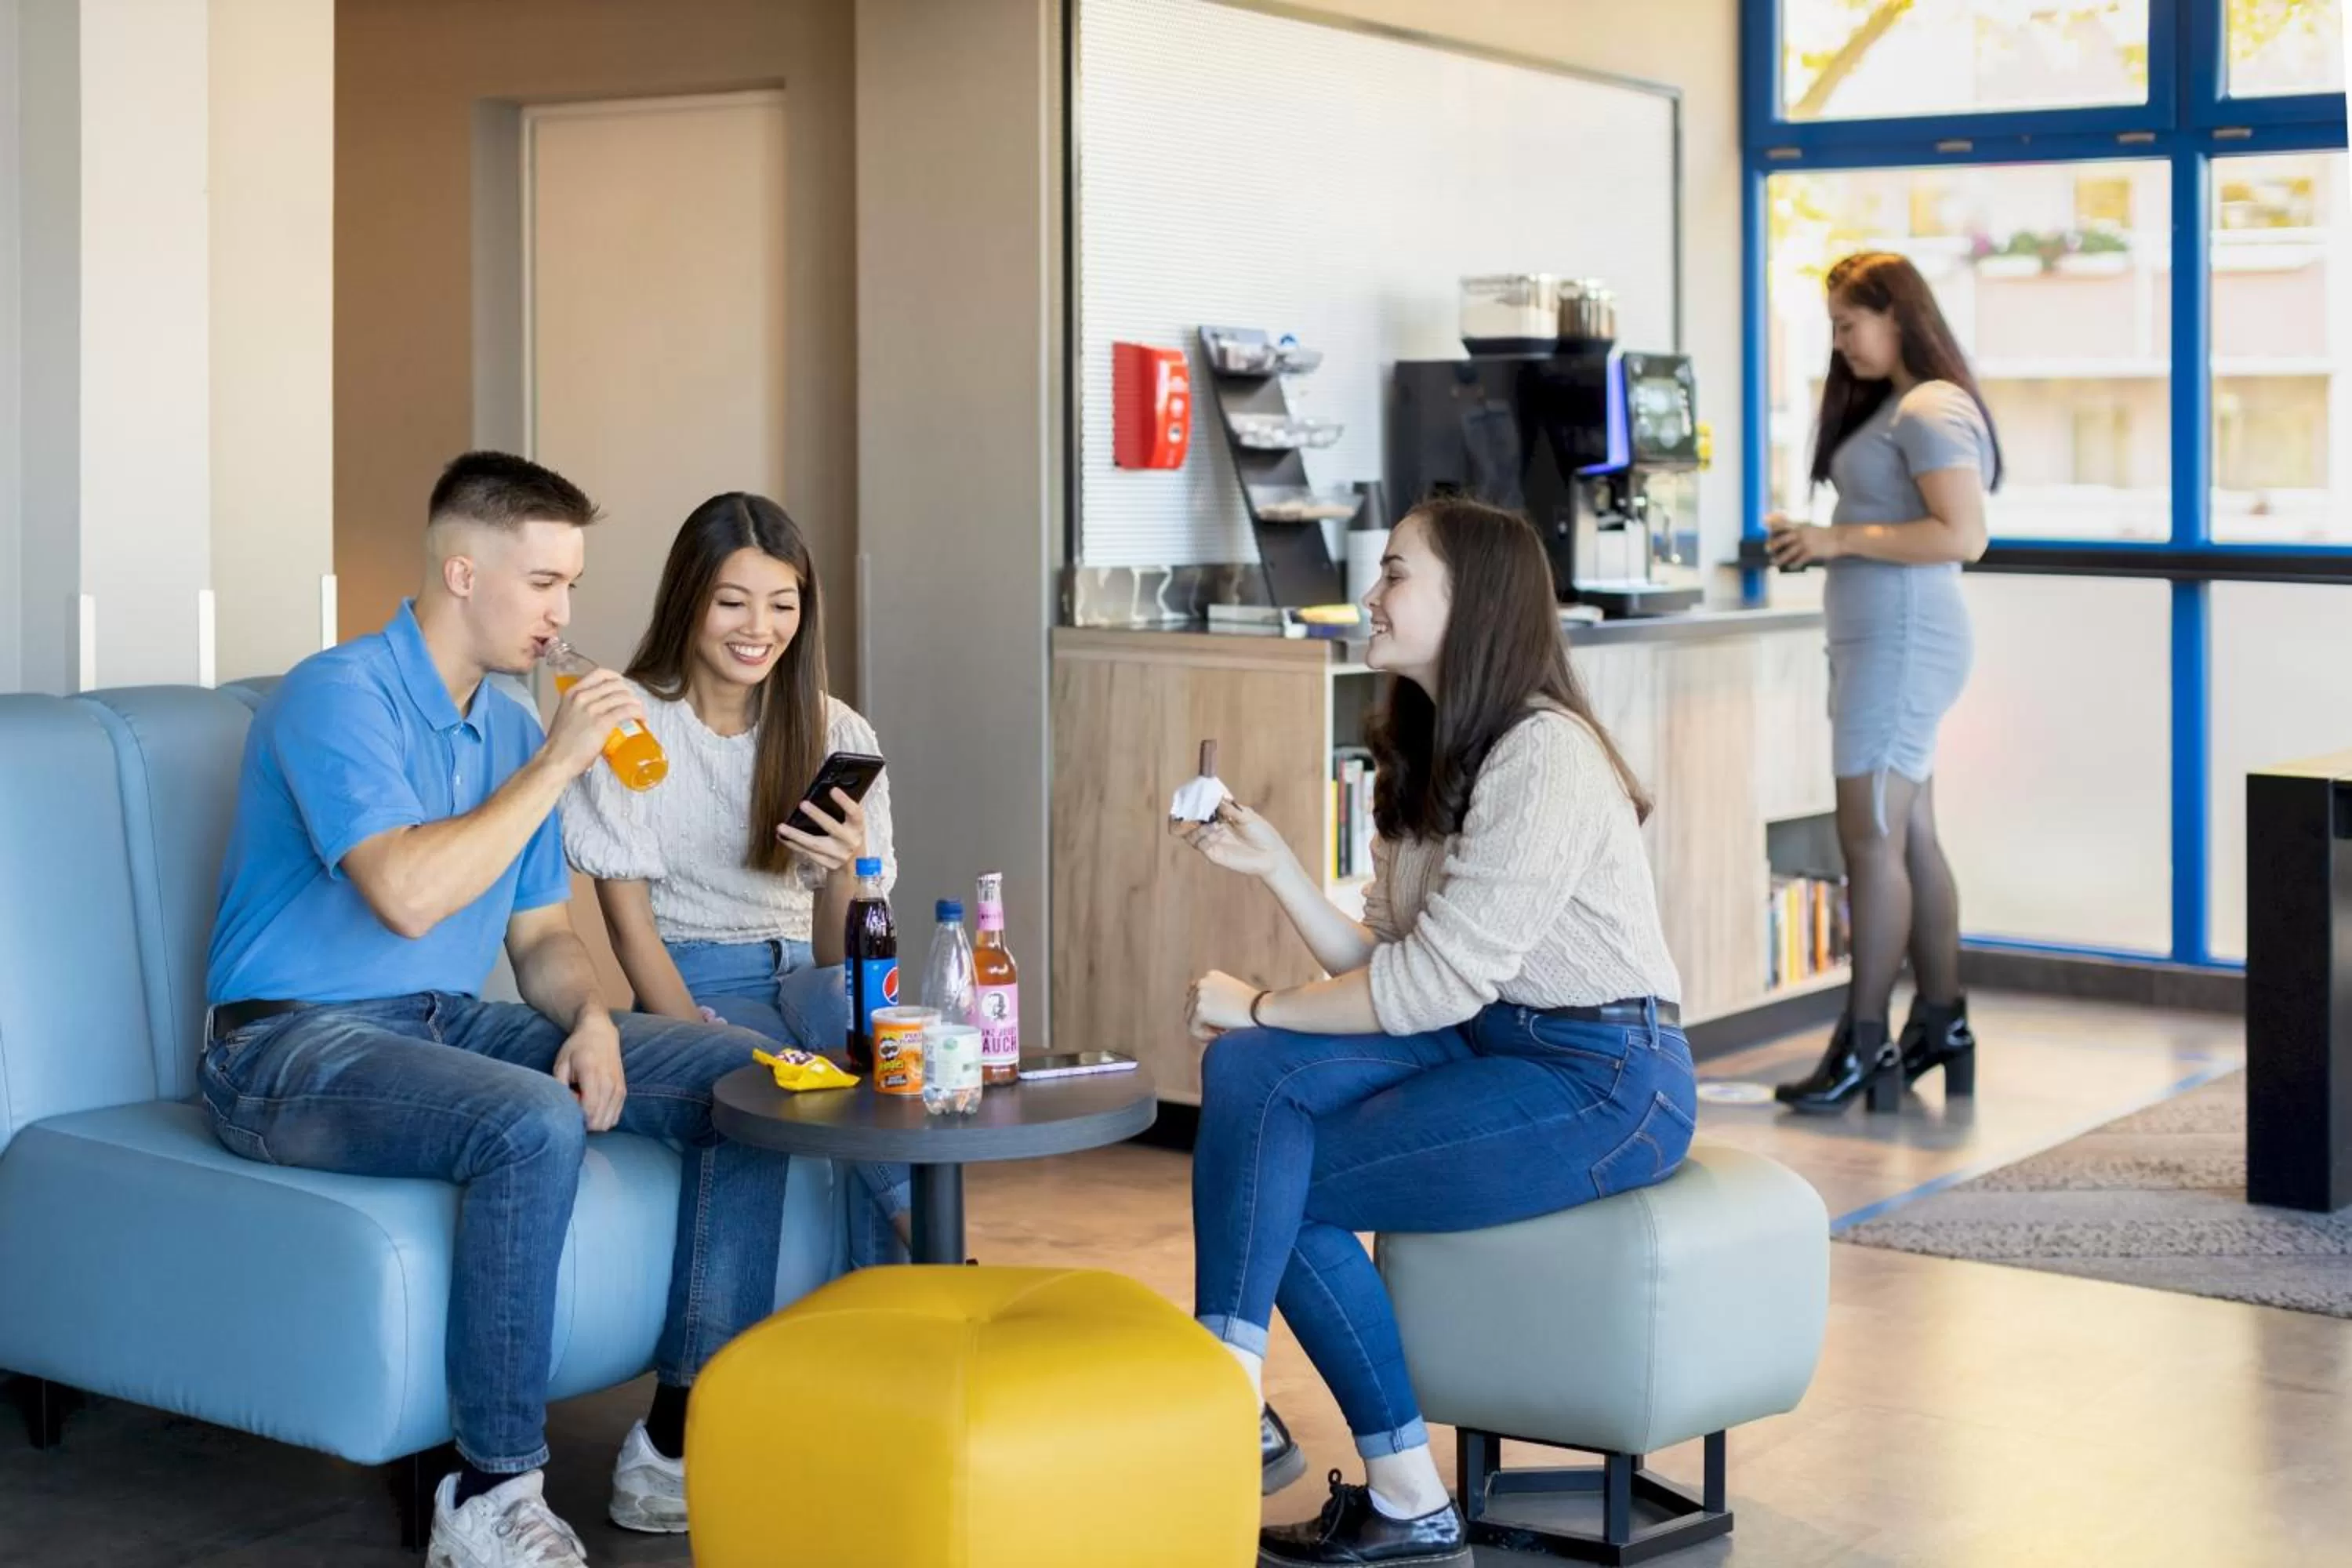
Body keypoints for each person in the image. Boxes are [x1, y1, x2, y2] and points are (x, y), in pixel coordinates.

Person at [201, 452, 790, 1567]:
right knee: (527, 1119)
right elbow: (407, 894)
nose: (563, 614)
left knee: (737, 1080)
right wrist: (561, 762)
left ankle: (672, 1444)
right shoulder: (338, 693)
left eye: (571, 586)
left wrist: (593, 1020)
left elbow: (540, 942)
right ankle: (490, 1488)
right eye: (542, 585)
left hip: (432, 1022)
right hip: (282, 1045)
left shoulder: (516, 726)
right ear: (463, 572)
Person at [1178, 499, 1693, 1568]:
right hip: (1484, 1038)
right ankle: (1252, 1406)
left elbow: (1427, 987)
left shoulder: (1544, 755)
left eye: (1396, 573)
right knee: (1252, 1080)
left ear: (1474, 605)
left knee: (1283, 1172)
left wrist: (1262, 1001)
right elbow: (1390, 971)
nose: (1371, 592)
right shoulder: (1423, 746)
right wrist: (1278, 868)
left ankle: (1364, 1472)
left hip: (1606, 1073)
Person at [561, 492, 910, 1264]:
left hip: (814, 974)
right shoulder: (629, 726)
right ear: (690, 598)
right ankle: (934, 1254)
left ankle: (899, 1301)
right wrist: (687, 1035)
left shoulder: (837, 732)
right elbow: (630, 927)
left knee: (866, 1019)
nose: (760, 629)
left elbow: (835, 955)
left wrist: (840, 872)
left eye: (782, 604)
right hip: (699, 977)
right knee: (802, 1078)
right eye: (733, 602)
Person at [1765, 251, 2001, 1115]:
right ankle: (1940, 1025)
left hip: (1902, 643)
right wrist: (1824, 536)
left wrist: (1837, 540)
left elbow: (1963, 534)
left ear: (1898, 313)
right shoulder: (1902, 408)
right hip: (1884, 642)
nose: (1839, 342)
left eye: (1847, 323)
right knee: (1910, 836)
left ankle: (1863, 1045)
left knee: (1867, 837)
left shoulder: (1932, 406)